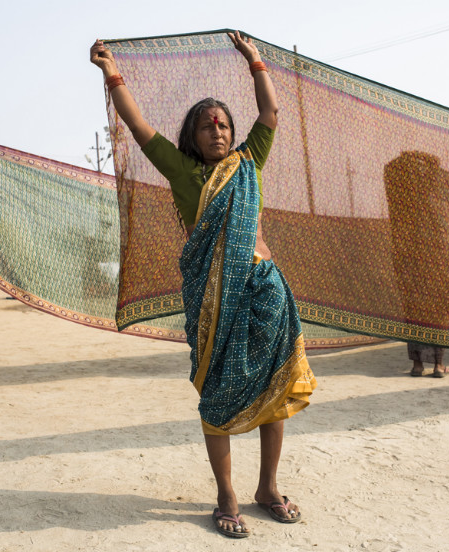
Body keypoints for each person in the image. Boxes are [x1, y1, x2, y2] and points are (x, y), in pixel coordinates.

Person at [91, 33, 317, 539]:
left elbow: (270, 114)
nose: (217, 131)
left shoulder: (248, 162)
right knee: (217, 393)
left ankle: (267, 487)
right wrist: (110, 71)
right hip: (213, 300)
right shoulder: (181, 170)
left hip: (265, 291)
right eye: (206, 125)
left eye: (223, 125)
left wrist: (255, 60)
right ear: (191, 137)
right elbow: (138, 125)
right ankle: (227, 494)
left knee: (275, 388)